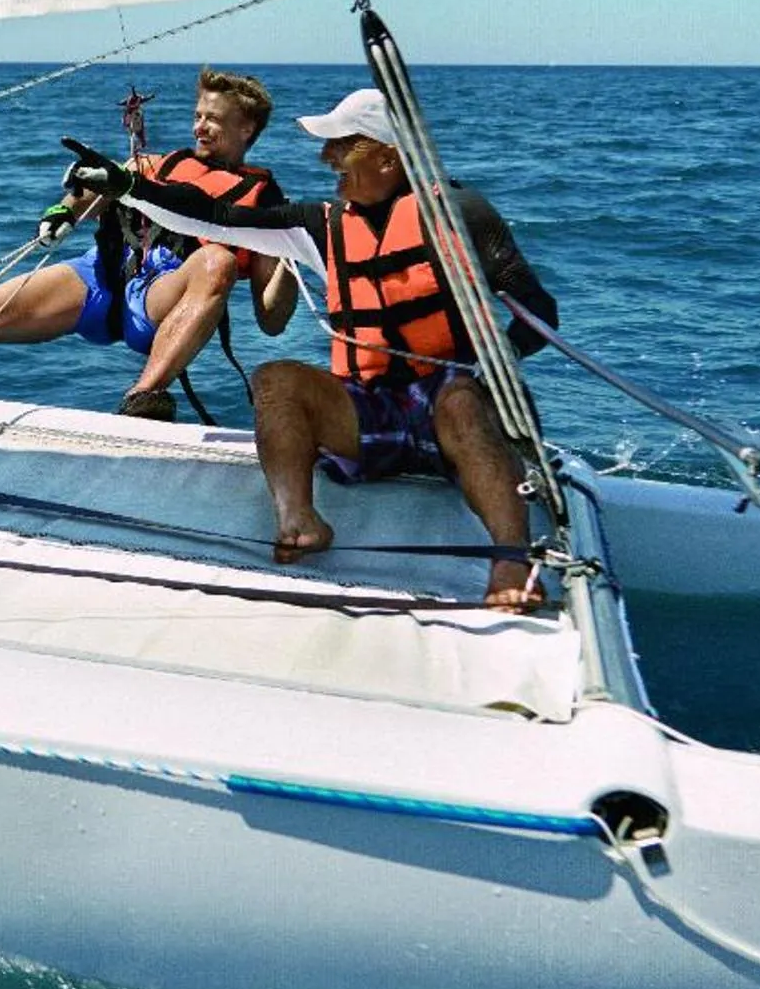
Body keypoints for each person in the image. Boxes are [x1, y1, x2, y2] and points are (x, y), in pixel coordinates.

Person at [70, 87, 557, 609]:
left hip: (451, 411)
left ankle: (511, 556)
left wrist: (491, 378)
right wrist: (128, 186)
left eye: (341, 145)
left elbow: (538, 313)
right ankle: (298, 521)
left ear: (388, 157)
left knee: (460, 400)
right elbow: (215, 218)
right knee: (275, 380)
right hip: (368, 415)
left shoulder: (462, 213)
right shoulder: (320, 227)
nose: (326, 158)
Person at [0, 69, 300, 415]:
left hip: (160, 301)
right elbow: (99, 184)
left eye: (214, 119)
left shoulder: (264, 204)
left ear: (247, 128)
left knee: (217, 263)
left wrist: (291, 256)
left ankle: (144, 397)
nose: (200, 128)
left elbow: (272, 320)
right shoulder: (155, 163)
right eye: (198, 116)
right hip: (101, 280)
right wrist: (63, 212)